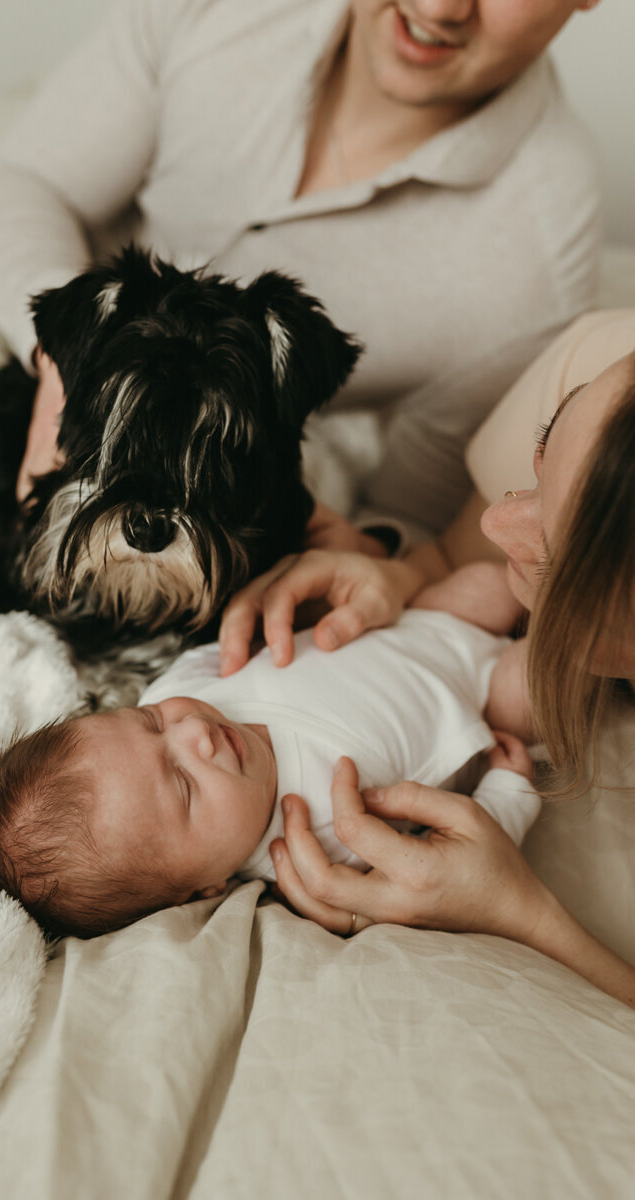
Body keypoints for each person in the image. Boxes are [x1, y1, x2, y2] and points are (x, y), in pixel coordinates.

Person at [0, 0, 602, 539]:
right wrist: (63, 370)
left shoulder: (536, 262)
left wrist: (371, 551)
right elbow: (30, 180)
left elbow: (405, 520)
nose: (440, 8)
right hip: (38, 360)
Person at [218, 319, 635, 1008]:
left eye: (551, 557)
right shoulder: (599, 367)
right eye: (544, 443)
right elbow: (454, 558)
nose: (497, 521)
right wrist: (394, 577)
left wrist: (515, 910)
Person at [0, 575, 539, 939]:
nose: (193, 732)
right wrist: (506, 794)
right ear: (202, 888)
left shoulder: (179, 689)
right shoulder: (305, 854)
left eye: (150, 722)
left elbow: (245, 641)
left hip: (426, 623)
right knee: (546, 683)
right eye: (184, 786)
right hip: (483, 701)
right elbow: (437, 865)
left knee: (493, 580)